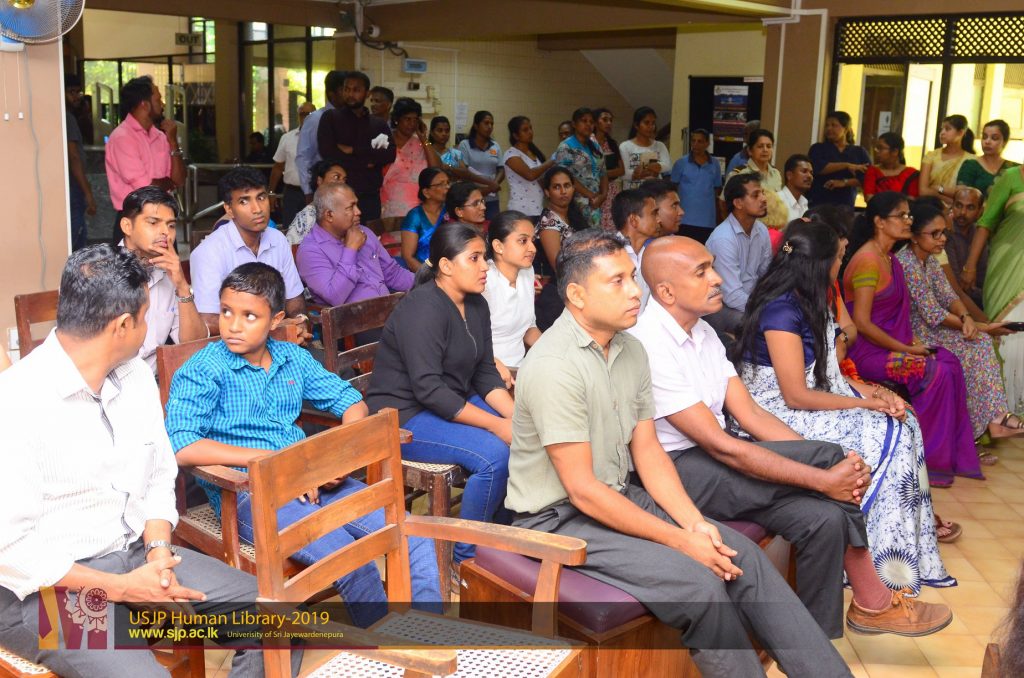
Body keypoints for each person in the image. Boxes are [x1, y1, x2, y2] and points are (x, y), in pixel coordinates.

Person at [507, 230, 855, 676]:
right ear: (577, 295)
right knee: (700, 585)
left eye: (633, 277)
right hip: (558, 520)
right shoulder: (554, 365)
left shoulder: (630, 350)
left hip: (619, 496)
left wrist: (695, 524)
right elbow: (583, 490)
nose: (636, 291)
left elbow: (648, 450)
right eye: (617, 281)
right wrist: (681, 540)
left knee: (741, 557)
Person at [632, 234, 955, 630]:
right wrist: (822, 475)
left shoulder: (704, 333)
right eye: (702, 272)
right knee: (832, 462)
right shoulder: (649, 344)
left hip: (715, 458)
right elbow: (720, 445)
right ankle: (874, 601)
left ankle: (818, 639)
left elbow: (751, 413)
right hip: (680, 470)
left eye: (713, 267)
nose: (717, 279)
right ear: (666, 291)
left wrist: (817, 460)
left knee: (825, 519)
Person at [0, 246, 275, 677]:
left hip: (135, 555)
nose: (149, 330)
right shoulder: (16, 402)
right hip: (47, 593)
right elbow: (12, 549)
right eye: (146, 317)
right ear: (123, 325)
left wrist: (158, 551)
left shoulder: (134, 377)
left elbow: (158, 476)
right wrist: (122, 588)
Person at [166, 262, 441, 628]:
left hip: (315, 479)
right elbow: (182, 446)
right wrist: (280, 461)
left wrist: (334, 460)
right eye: (226, 312)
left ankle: (428, 638)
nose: (233, 325)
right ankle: (381, 648)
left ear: (276, 319)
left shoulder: (291, 358)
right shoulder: (204, 369)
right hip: (251, 493)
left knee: (415, 536)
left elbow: (352, 403)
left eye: (250, 316)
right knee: (351, 557)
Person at [729, 221, 954, 591]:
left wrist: (876, 395)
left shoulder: (811, 298)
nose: (840, 265)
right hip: (773, 411)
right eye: (838, 258)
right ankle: (879, 569)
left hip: (806, 400)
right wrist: (865, 406)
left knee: (906, 420)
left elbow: (827, 376)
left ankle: (904, 556)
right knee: (886, 433)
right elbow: (795, 395)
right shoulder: (781, 310)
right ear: (819, 264)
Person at [366, 222, 514, 566]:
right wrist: (496, 426)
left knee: (525, 437)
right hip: (404, 415)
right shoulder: (422, 308)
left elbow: (484, 371)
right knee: (494, 457)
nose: (484, 267)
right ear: (446, 265)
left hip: (450, 399)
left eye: (484, 258)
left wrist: (514, 418)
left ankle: (500, 540)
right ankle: (466, 560)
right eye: (474, 258)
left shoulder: (476, 305)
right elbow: (429, 389)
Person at [843, 191, 981, 487]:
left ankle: (949, 457)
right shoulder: (868, 260)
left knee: (950, 361)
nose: (909, 221)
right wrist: (905, 348)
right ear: (880, 222)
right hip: (868, 354)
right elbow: (862, 323)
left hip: (890, 346)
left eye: (909, 215)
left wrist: (911, 345)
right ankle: (924, 463)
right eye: (901, 216)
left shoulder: (890, 258)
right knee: (935, 372)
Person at [895, 201, 1022, 443]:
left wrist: (966, 317)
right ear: (914, 236)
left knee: (980, 343)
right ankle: (987, 425)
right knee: (978, 345)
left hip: (934, 328)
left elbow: (949, 297)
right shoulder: (907, 263)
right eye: (935, 233)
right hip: (917, 333)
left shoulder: (929, 260)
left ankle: (990, 423)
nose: (942, 239)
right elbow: (933, 313)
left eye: (943, 232)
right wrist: (974, 326)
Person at [190, 167, 310, 339]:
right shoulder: (208, 252)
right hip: (233, 345)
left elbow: (294, 297)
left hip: (279, 339)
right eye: (244, 201)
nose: (257, 209)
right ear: (229, 209)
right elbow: (208, 321)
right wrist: (273, 328)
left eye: (261, 197)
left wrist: (300, 322)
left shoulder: (278, 239)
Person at [117, 186, 207, 373]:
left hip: (155, 381)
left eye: (171, 225)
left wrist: (182, 285)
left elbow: (194, 345)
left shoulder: (170, 274)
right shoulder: (100, 272)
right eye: (153, 222)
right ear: (127, 226)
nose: (165, 232)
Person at [962, 166, 1024, 413]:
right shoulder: (1010, 178)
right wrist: (970, 266)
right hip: (1006, 267)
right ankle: (999, 409)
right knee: (1004, 329)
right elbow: (985, 224)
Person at [297, 182, 414, 308]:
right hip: (352, 318)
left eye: (356, 205)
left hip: (388, 310)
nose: (358, 211)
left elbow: (393, 274)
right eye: (350, 207)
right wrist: (350, 249)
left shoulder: (364, 232)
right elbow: (334, 297)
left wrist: (427, 283)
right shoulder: (310, 251)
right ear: (329, 215)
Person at [104, 75, 186, 245]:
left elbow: (179, 180)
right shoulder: (122, 137)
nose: (162, 104)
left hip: (163, 218)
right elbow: (145, 188)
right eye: (158, 99)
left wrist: (172, 142)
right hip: (134, 220)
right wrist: (167, 183)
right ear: (145, 104)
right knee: (133, 264)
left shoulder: (161, 136)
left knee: (168, 263)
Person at [317, 71, 395, 221]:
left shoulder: (377, 124)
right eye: (347, 89)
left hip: (370, 197)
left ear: (367, 93)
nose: (350, 94)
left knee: (370, 235)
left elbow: (389, 154)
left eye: (356, 90)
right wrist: (368, 161)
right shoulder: (331, 118)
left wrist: (354, 150)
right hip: (338, 197)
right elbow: (329, 154)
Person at [704, 173, 771, 336]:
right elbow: (732, 296)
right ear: (738, 203)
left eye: (762, 193)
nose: (763, 199)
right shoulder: (723, 238)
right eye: (755, 195)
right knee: (766, 325)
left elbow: (767, 274)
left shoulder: (761, 230)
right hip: (721, 306)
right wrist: (767, 310)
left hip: (750, 301)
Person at [482, 211, 541, 387]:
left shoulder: (527, 272)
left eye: (532, 240)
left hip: (520, 370)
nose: (532, 248)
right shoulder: (484, 280)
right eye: (523, 241)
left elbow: (529, 328)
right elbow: (467, 341)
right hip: (489, 372)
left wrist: (555, 350)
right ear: (498, 246)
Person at [534, 166, 589, 331]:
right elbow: (559, 266)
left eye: (567, 186)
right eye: (556, 187)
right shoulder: (549, 223)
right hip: (560, 292)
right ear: (547, 192)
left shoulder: (573, 214)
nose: (563, 191)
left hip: (578, 283)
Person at [380, 97, 438, 223]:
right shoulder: (385, 141)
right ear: (397, 119)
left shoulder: (421, 144)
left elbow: (436, 169)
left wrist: (423, 138)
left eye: (415, 120)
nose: (412, 124)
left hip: (417, 209)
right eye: (407, 119)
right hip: (390, 209)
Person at [295, 69, 346, 202]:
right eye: (344, 89)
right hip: (324, 189)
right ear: (331, 93)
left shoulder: (354, 118)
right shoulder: (315, 119)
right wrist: (308, 191)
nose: (349, 94)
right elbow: (304, 157)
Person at [553, 107, 608, 229]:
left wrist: (603, 195)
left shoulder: (596, 146)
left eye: (591, 122)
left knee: (595, 237)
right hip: (576, 203)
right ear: (574, 124)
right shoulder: (566, 147)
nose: (588, 124)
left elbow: (603, 172)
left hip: (596, 203)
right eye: (584, 121)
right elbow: (565, 177)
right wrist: (590, 195)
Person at [727, 128, 787, 231]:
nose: (765, 150)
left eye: (769, 146)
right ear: (750, 151)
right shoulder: (740, 173)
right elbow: (724, 204)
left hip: (772, 229)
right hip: (746, 229)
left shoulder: (776, 174)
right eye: (760, 146)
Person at [807, 111, 870, 208]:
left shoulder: (859, 152)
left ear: (846, 129)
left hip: (846, 204)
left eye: (834, 125)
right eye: (827, 125)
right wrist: (847, 165)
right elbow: (818, 168)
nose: (829, 128)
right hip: (819, 203)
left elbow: (868, 178)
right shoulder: (818, 148)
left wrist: (844, 183)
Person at [943, 188, 991, 313]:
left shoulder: (979, 234)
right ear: (952, 205)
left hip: (977, 299)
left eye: (970, 207)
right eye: (958, 205)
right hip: (951, 305)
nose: (962, 212)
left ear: (980, 211)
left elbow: (982, 277)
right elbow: (956, 287)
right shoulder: (945, 234)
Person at [269, 101, 316, 227]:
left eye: (310, 114)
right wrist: (271, 192)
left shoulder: (322, 138)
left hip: (315, 193)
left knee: (314, 230)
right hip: (292, 193)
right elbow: (278, 167)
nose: (306, 117)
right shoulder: (287, 138)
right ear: (299, 116)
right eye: (302, 114)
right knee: (290, 229)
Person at [612, 188, 660, 310]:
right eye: (654, 213)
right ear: (634, 220)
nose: (659, 219)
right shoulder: (609, 255)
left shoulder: (649, 255)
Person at [671, 128, 722, 242]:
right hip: (684, 219)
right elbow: (672, 189)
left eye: (700, 141)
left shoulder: (715, 164)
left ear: (707, 143)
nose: (695, 144)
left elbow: (716, 190)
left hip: (707, 220)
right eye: (693, 141)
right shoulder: (681, 163)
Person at [64, 73, 96, 250]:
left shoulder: (69, 116)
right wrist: (88, 193)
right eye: (71, 92)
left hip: (71, 185)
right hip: (74, 186)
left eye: (78, 92)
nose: (76, 96)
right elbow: (74, 157)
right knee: (77, 239)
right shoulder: (67, 118)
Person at [503, 115, 554, 218]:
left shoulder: (535, 154)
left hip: (537, 209)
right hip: (520, 210)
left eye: (531, 128)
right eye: (525, 130)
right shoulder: (511, 155)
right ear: (516, 135)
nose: (530, 132)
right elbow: (530, 175)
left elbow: (539, 178)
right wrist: (551, 161)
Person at [919, 114, 976, 206]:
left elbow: (967, 192)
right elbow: (923, 190)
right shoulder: (931, 156)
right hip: (930, 206)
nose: (942, 133)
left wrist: (939, 188)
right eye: (942, 129)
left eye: (947, 129)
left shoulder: (972, 160)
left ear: (960, 133)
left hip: (959, 208)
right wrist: (945, 199)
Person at [286, 160, 347, 245]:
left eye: (344, 179)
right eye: (336, 177)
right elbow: (292, 247)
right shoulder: (308, 215)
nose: (342, 183)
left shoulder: (345, 212)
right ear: (320, 180)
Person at [457, 111, 504, 222]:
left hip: (492, 198)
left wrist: (494, 184)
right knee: (472, 228)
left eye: (492, 124)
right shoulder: (465, 145)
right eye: (486, 123)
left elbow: (501, 169)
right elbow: (464, 173)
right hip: (472, 198)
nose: (490, 127)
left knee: (492, 227)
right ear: (476, 125)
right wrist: (489, 186)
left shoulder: (495, 146)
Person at [400, 167, 448, 271]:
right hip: (422, 272)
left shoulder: (449, 211)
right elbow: (408, 258)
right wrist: (429, 276)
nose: (447, 187)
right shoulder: (415, 216)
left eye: (448, 183)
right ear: (426, 192)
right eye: (441, 184)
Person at [956, 118, 1018, 196]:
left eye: (994, 138)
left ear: (1004, 142)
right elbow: (961, 195)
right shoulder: (971, 165)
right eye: (984, 137)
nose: (987, 142)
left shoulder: (1015, 169)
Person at [619, 107, 671, 191]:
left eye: (653, 123)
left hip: (654, 192)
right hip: (633, 194)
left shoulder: (660, 145)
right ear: (636, 125)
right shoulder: (625, 146)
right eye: (646, 123)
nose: (651, 126)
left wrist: (654, 166)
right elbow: (623, 173)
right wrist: (637, 173)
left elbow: (668, 166)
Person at [593, 108, 624, 231]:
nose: (609, 123)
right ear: (596, 122)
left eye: (610, 120)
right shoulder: (589, 142)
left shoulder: (612, 144)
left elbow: (621, 170)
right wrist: (605, 174)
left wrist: (602, 174)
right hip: (594, 190)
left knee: (611, 226)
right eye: (605, 120)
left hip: (611, 191)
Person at [862, 132, 919, 200]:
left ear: (895, 151)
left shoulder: (911, 173)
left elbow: (912, 199)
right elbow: (869, 198)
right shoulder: (872, 171)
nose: (876, 151)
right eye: (877, 148)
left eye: (880, 148)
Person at [427, 115, 475, 183]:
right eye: (440, 130)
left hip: (454, 188)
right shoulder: (428, 151)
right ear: (432, 133)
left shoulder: (455, 153)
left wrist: (450, 168)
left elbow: (465, 173)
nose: (444, 134)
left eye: (447, 131)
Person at [779, 153, 812, 221]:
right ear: (789, 175)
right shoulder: (777, 200)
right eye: (804, 171)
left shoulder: (804, 202)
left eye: (811, 173)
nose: (809, 176)